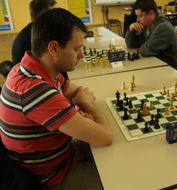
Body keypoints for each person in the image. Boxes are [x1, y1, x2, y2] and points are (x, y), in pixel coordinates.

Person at [0, 8, 113, 190]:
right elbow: (105, 136)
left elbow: (75, 92)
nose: (82, 55)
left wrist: (78, 106)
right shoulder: (36, 90)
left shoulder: (33, 68)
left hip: (62, 154)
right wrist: (84, 103)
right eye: (76, 49)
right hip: (53, 177)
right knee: (119, 179)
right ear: (53, 48)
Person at [11, 0, 68, 79]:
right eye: (54, 12)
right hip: (31, 81)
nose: (57, 16)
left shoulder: (33, 29)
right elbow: (56, 64)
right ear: (44, 16)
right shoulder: (36, 36)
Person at [125, 0, 177, 70]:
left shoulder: (163, 28)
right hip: (157, 64)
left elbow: (145, 51)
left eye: (140, 16)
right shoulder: (148, 25)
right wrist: (131, 30)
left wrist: (143, 44)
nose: (137, 20)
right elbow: (132, 45)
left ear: (151, 13)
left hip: (169, 69)